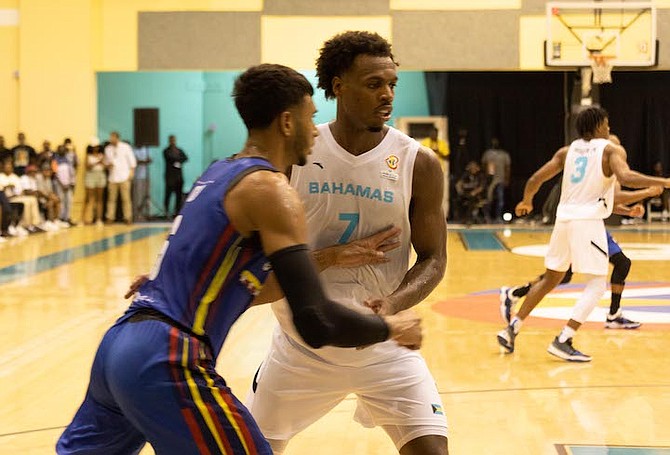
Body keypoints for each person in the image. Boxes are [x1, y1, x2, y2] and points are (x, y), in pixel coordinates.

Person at [57, 63, 423, 455]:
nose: (315, 130)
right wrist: (388, 327)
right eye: (310, 117)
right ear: (286, 122)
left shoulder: (219, 172)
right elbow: (315, 321)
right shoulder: (272, 190)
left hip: (120, 343)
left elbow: (212, 269)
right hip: (167, 356)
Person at [246, 32, 449, 455]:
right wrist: (331, 257)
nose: (387, 94)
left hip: (384, 345)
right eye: (374, 83)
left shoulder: (419, 162)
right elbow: (254, 264)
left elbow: (434, 258)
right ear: (338, 86)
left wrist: (393, 303)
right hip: (301, 349)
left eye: (393, 84)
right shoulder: (296, 151)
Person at [496, 107, 670, 362]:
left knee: (551, 279)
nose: (609, 128)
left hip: (563, 220)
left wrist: (527, 201)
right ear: (599, 125)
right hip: (587, 222)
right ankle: (564, 339)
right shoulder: (611, 150)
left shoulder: (567, 152)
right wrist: (664, 182)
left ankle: (512, 328)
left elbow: (535, 179)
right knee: (598, 283)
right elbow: (627, 177)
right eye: (607, 124)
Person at [500, 186, 663, 330]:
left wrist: (628, 211)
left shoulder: (605, 168)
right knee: (564, 276)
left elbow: (605, 203)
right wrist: (649, 190)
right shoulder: (602, 166)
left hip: (592, 226)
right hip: (583, 227)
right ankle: (517, 296)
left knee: (621, 263)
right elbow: (615, 195)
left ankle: (613, 314)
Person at [104, 131, 136, 224]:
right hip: (112, 177)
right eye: (110, 137)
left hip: (124, 176)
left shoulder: (125, 147)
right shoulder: (108, 149)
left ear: (117, 138)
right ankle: (110, 217)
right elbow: (106, 162)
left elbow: (132, 162)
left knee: (126, 199)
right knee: (111, 199)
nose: (111, 139)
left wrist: (131, 174)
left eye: (113, 137)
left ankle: (128, 217)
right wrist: (108, 165)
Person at [420, 126, 450, 218]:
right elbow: (420, 155)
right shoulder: (424, 142)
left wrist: (439, 152)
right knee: (426, 193)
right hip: (427, 172)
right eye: (432, 133)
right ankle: (425, 213)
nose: (434, 135)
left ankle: (444, 215)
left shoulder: (442, 143)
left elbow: (447, 157)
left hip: (440, 171)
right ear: (430, 134)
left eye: (435, 133)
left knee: (442, 193)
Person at [481, 137, 510, 222]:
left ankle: (498, 217)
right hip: (490, 180)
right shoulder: (488, 153)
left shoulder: (504, 154)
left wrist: (507, 178)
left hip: (500, 179)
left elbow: (507, 167)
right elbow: (483, 165)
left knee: (500, 199)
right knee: (488, 199)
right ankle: (487, 216)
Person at [455, 160, 487, 224]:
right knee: (458, 200)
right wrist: (460, 191)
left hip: (477, 196)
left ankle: (469, 219)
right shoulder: (465, 175)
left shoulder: (480, 176)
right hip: (466, 194)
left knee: (471, 200)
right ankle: (461, 218)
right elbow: (459, 184)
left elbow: (481, 187)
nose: (473, 169)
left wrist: (474, 192)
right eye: (471, 167)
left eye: (474, 167)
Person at [163, 134, 188, 218]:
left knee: (178, 195)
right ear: (169, 141)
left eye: (174, 140)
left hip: (179, 177)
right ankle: (166, 211)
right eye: (171, 140)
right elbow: (170, 158)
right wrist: (178, 159)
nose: (173, 141)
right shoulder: (166, 151)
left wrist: (177, 159)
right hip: (170, 177)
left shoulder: (179, 150)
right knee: (168, 195)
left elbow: (185, 158)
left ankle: (177, 212)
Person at [82, 141, 107, 225]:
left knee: (99, 199)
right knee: (88, 198)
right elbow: (87, 166)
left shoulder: (102, 155)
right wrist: (97, 162)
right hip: (90, 176)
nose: (95, 148)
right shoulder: (88, 156)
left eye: (97, 146)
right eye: (93, 146)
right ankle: (85, 219)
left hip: (100, 176)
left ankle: (98, 219)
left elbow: (105, 166)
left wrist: (102, 162)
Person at [132, 144, 152, 221]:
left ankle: (146, 214)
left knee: (146, 196)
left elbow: (149, 159)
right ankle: (138, 215)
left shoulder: (146, 149)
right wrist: (143, 161)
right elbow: (135, 161)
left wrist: (143, 161)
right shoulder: (134, 150)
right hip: (138, 177)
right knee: (138, 197)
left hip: (146, 176)